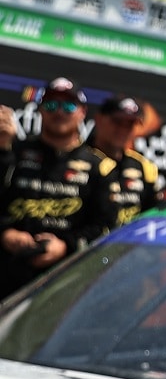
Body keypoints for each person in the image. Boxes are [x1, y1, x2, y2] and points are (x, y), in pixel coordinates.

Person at [0, 78, 115, 296]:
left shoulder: (99, 167)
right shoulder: (12, 152)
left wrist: (66, 246)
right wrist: (5, 234)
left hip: (65, 282)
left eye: (69, 105)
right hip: (8, 273)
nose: (59, 112)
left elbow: (106, 226)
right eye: (52, 105)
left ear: (82, 112)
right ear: (40, 110)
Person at [89, 94, 160, 226]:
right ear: (99, 119)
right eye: (117, 122)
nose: (123, 130)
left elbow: (150, 218)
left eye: (130, 124)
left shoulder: (144, 167)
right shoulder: (80, 159)